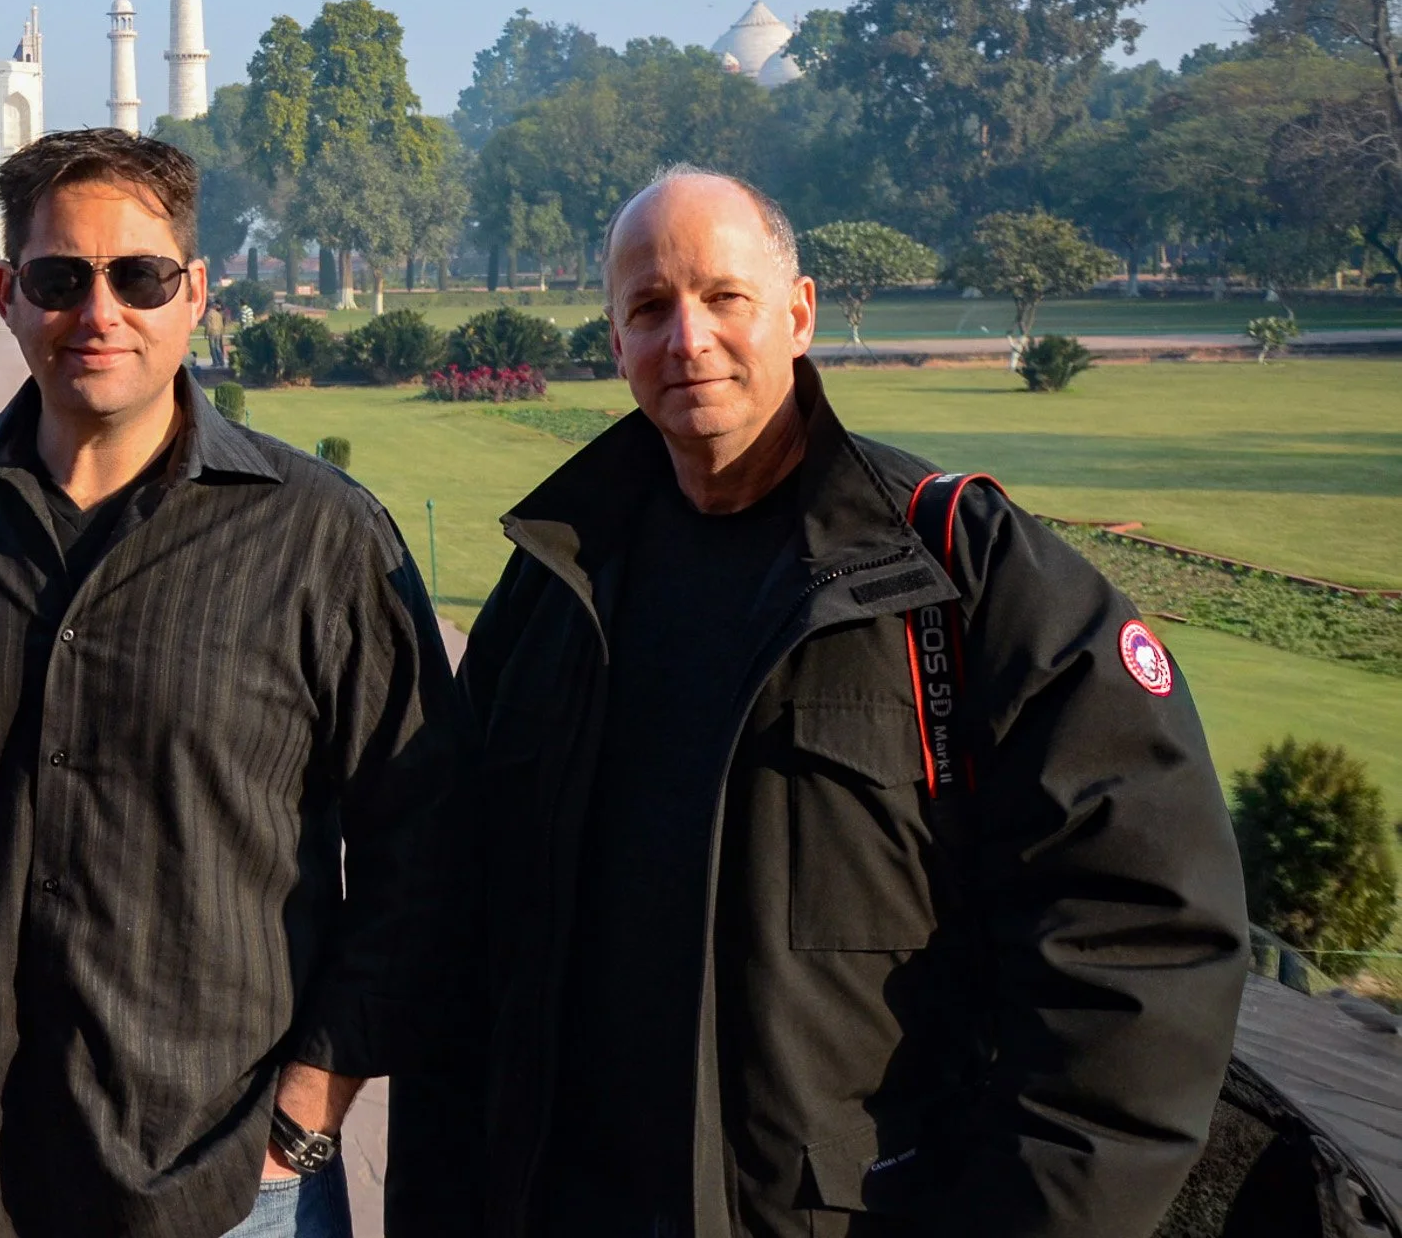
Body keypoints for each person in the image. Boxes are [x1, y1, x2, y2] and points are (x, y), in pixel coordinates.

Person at [385, 167, 1246, 1238]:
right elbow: (462, 946)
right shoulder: (555, 588)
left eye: (722, 298)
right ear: (613, 341)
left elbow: (1141, 945)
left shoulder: (956, 578)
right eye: (648, 309)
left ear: (795, 315)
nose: (686, 339)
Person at [0, 129, 459, 1238]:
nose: (99, 311)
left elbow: (427, 845)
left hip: (238, 1180)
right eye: (59, 278)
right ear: (7, 293)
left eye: (139, 276)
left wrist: (307, 1110)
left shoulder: (317, 536)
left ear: (194, 293)